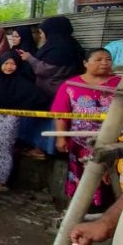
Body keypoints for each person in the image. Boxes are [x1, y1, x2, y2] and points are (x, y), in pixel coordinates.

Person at [0, 51, 51, 193]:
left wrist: (20, 110)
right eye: (6, 63)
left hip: (9, 122)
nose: (9, 67)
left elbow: (40, 100)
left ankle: (1, 182)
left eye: (12, 63)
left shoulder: (23, 84)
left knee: (3, 149)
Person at [51, 48, 118, 209]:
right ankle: (79, 211)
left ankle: (107, 213)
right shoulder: (70, 84)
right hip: (79, 142)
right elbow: (61, 112)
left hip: (114, 140)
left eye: (108, 59)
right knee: (80, 176)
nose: (104, 63)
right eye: (98, 59)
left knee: (110, 176)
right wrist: (61, 137)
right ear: (85, 63)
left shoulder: (120, 83)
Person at [19, 16, 85, 158]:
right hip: (55, 90)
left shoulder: (60, 48)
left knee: (51, 121)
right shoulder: (68, 45)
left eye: (42, 32)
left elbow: (46, 70)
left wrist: (30, 58)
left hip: (53, 92)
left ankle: (45, 150)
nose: (41, 35)